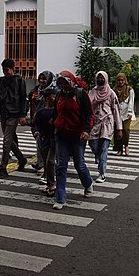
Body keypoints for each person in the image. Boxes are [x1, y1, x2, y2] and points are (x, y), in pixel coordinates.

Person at [52, 70, 93, 210]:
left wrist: (86, 130)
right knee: (61, 165)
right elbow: (55, 113)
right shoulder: (59, 95)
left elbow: (89, 115)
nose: (62, 85)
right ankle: (60, 197)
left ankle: (88, 183)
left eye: (65, 82)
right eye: (60, 83)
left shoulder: (80, 94)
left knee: (79, 164)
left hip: (77, 135)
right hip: (62, 135)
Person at [0, 58, 28, 178]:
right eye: (3, 70)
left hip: (14, 115)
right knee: (9, 140)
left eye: (7, 70)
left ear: (12, 69)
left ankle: (3, 168)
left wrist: (22, 114)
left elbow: (23, 99)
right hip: (4, 114)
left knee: (6, 142)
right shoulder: (1, 81)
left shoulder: (20, 81)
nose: (5, 72)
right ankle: (21, 159)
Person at [88, 71, 122, 183]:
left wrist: (119, 128)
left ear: (106, 79)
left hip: (107, 123)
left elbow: (116, 111)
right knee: (93, 144)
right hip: (95, 123)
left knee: (104, 149)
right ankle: (98, 158)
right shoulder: (93, 92)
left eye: (102, 78)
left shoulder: (111, 93)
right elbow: (88, 106)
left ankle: (102, 173)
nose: (100, 80)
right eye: (98, 78)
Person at [28, 70, 54, 176]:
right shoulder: (36, 90)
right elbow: (29, 99)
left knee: (45, 144)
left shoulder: (53, 91)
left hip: (48, 121)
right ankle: (41, 163)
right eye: (41, 79)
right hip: (37, 119)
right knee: (40, 142)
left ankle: (43, 166)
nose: (42, 81)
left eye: (44, 79)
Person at [32, 85, 57, 197]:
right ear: (47, 99)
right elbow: (35, 124)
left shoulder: (58, 111)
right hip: (43, 140)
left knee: (50, 161)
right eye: (52, 96)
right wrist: (36, 131)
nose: (54, 98)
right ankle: (49, 183)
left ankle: (52, 185)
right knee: (46, 162)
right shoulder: (41, 112)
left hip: (55, 140)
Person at [112, 72, 135, 156]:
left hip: (126, 114)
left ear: (125, 80)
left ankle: (126, 145)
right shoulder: (114, 90)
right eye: (118, 80)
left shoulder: (129, 90)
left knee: (125, 130)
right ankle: (119, 149)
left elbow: (131, 101)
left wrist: (130, 112)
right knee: (118, 131)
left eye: (122, 80)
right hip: (117, 113)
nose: (120, 82)